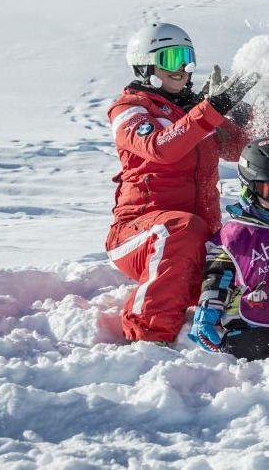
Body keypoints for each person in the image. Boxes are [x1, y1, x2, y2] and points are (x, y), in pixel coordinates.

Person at [105, 22, 258, 343]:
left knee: (249, 244)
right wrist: (211, 108)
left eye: (188, 58)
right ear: (146, 64)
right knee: (180, 228)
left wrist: (254, 105)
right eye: (173, 59)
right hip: (140, 234)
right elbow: (159, 147)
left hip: (196, 238)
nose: (185, 68)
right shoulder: (130, 109)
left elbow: (242, 148)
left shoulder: (190, 111)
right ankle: (149, 332)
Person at [189, 139, 269, 359]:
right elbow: (217, 274)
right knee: (254, 348)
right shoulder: (236, 233)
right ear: (249, 186)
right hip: (251, 318)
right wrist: (207, 312)